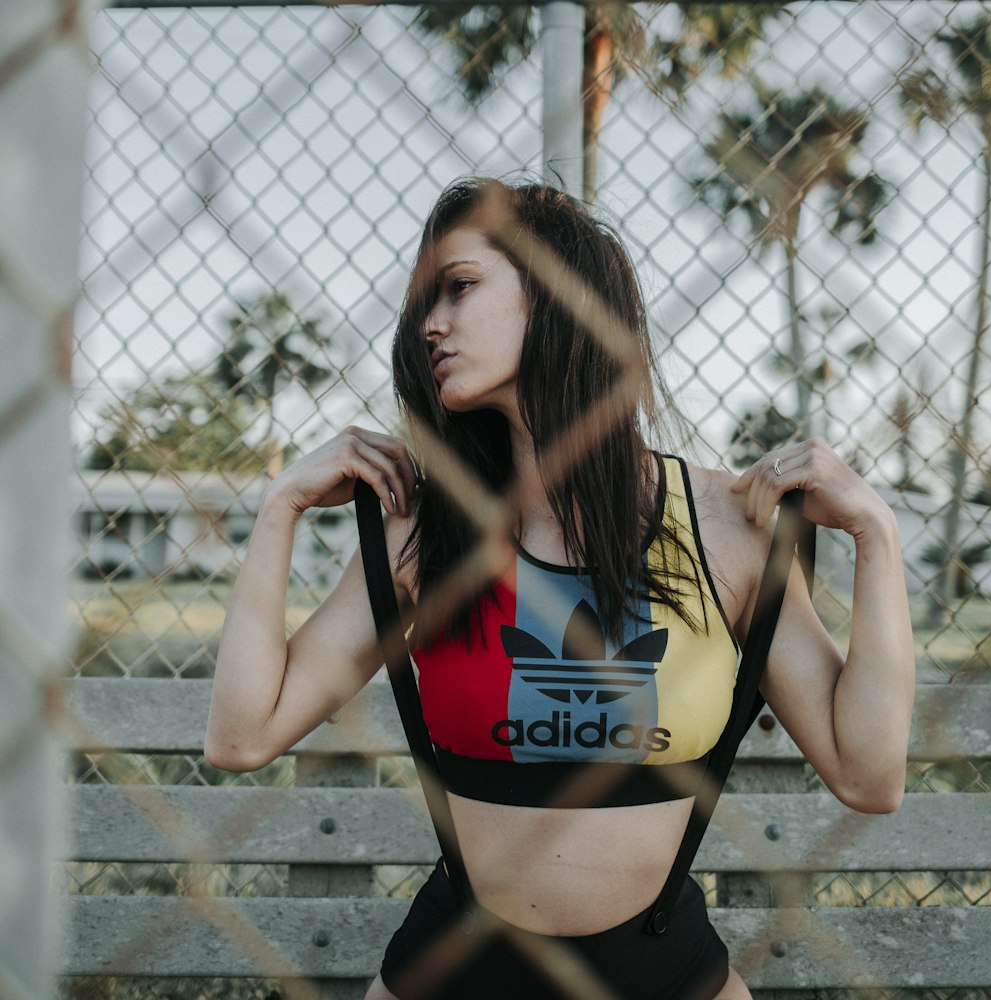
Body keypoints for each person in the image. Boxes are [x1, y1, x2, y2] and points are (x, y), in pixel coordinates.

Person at [205, 177, 915, 1000]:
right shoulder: (423, 533)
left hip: (663, 972)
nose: (430, 323)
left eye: (460, 286)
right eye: (424, 302)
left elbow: (870, 778)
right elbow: (241, 737)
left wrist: (878, 537)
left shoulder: (727, 528)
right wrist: (278, 509)